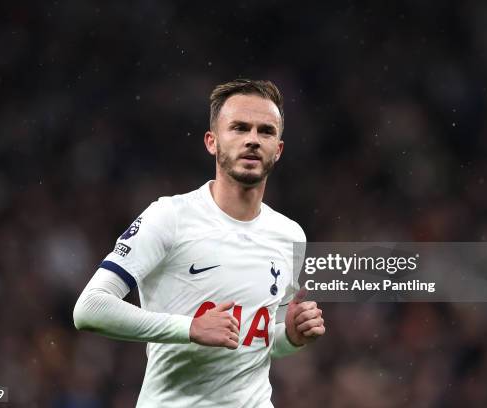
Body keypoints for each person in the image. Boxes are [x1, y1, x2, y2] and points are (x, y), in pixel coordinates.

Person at [73, 79, 325, 407]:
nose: (252, 140)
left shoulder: (290, 235)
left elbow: (258, 343)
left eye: (265, 131)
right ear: (212, 142)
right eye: (239, 128)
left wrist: (290, 337)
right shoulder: (169, 217)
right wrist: (189, 328)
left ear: (277, 149)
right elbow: (89, 309)